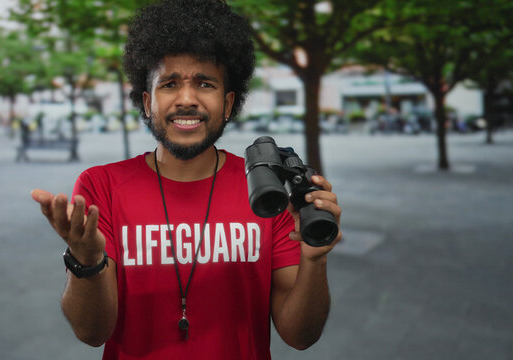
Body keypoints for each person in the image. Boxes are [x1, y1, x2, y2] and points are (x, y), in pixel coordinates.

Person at [31, 1, 342, 359]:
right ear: (147, 103)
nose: (187, 99)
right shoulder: (102, 186)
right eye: (170, 83)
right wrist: (86, 259)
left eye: (204, 83)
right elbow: (92, 332)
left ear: (228, 104)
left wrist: (314, 261)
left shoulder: (266, 192)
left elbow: (299, 335)